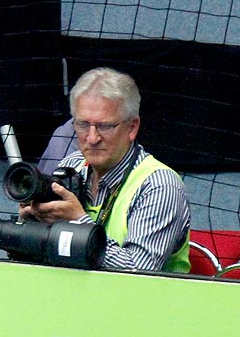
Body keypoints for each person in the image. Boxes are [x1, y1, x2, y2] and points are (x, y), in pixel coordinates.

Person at [18, 67, 190, 272]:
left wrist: (78, 223)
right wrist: (31, 223)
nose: (92, 138)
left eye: (105, 126)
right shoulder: (71, 166)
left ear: (132, 127)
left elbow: (139, 271)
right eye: (82, 125)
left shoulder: (159, 185)